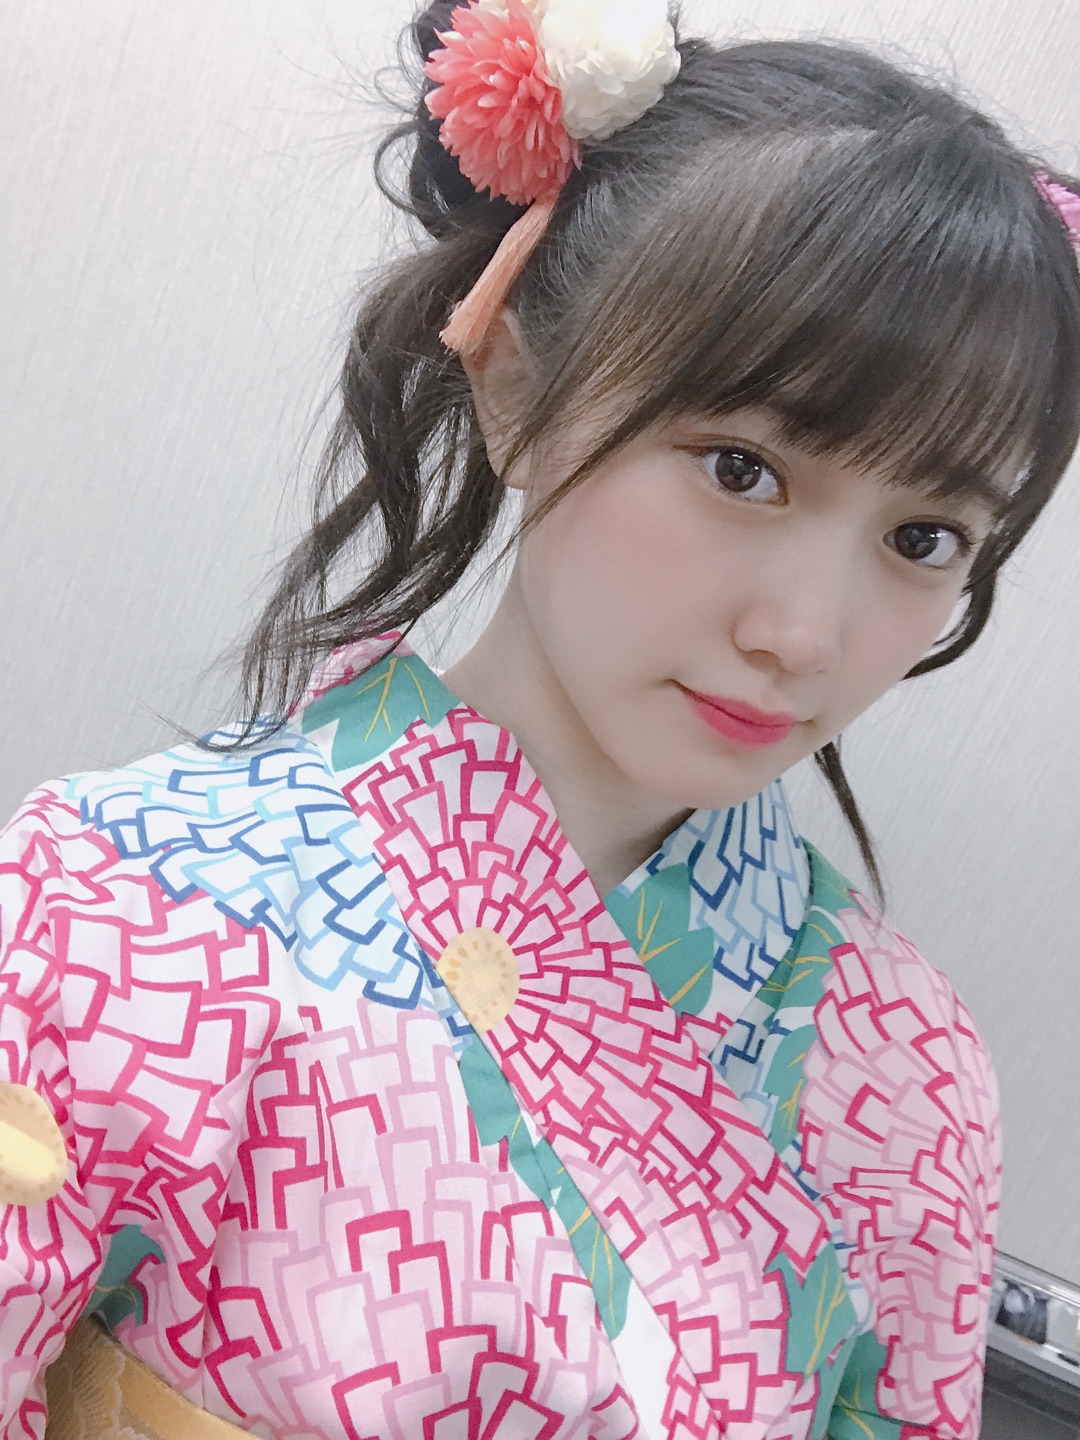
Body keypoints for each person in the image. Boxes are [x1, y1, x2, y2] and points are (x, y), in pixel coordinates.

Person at [2, 1, 1079, 1436]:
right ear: (515, 381)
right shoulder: (113, 913)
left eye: (925, 538)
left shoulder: (907, 1068)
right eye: (742, 467)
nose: (805, 635)